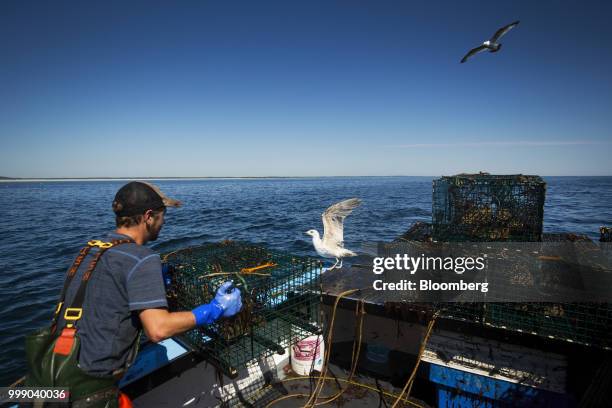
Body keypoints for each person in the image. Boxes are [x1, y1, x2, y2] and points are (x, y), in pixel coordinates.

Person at [28, 181, 242, 407]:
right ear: (149, 216)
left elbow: (106, 296)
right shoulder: (142, 258)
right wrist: (214, 310)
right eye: (162, 215)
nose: (164, 221)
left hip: (48, 378)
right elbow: (158, 330)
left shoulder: (90, 249)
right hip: (88, 390)